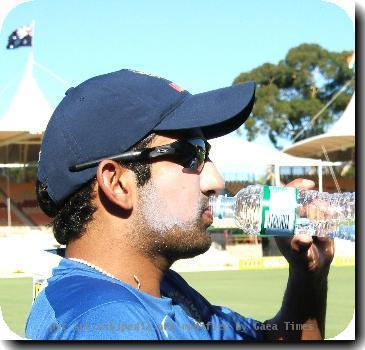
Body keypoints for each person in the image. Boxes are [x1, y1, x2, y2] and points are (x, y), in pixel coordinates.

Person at [25, 69, 334, 340]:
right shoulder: (107, 321)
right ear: (117, 183)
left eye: (206, 152)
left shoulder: (157, 289)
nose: (216, 180)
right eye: (191, 154)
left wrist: (309, 275)